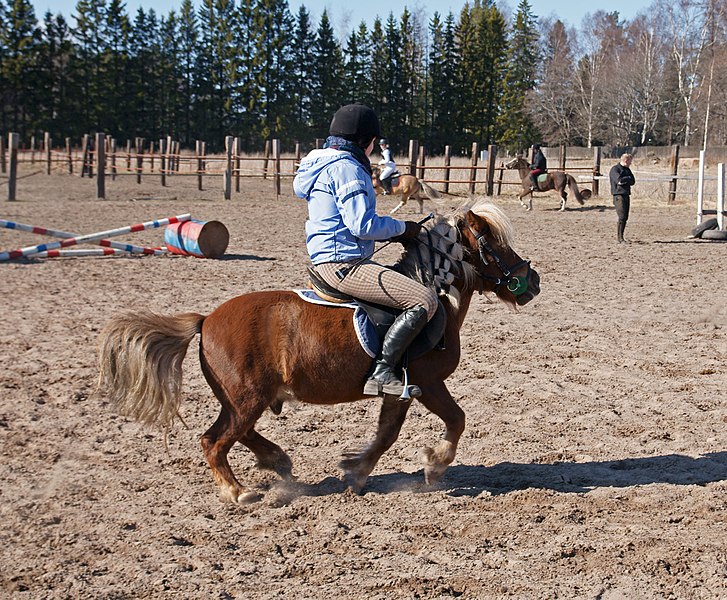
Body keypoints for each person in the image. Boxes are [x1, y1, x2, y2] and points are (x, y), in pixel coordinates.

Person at [293, 103, 438, 399]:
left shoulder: (321, 165)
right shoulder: (348, 168)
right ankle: (383, 372)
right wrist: (403, 229)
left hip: (326, 258)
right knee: (424, 299)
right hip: (345, 264)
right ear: (366, 141)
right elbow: (362, 225)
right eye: (372, 143)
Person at [609, 153, 636, 243]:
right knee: (622, 216)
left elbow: (632, 181)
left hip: (626, 194)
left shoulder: (627, 170)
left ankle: (621, 236)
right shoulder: (615, 169)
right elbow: (619, 181)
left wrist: (626, 179)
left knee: (625, 217)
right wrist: (627, 179)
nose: (630, 164)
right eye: (630, 162)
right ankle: (620, 238)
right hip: (618, 195)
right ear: (626, 160)